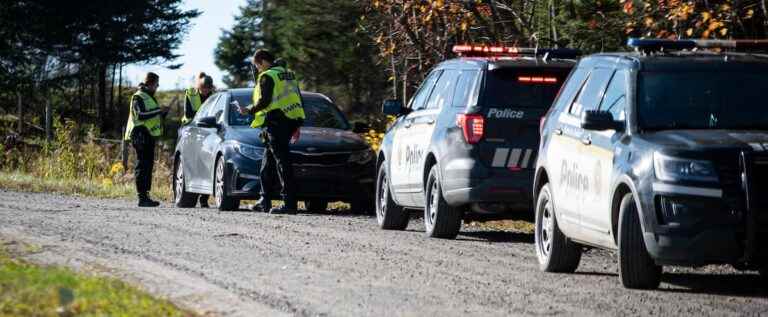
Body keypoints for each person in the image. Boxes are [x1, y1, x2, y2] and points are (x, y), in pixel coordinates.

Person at [238, 49, 305, 214]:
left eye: (257, 65)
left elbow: (265, 101)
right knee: (267, 164)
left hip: (277, 122)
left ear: (262, 61)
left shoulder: (267, 76)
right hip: (290, 119)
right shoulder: (288, 74)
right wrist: (297, 125)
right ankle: (264, 199)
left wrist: (248, 110)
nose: (258, 69)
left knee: (283, 163)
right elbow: (298, 98)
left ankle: (289, 204)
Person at [123, 72, 169, 207]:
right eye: (156, 84)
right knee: (142, 165)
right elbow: (141, 115)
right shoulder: (138, 96)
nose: (157, 87)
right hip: (140, 134)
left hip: (148, 134)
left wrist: (162, 113)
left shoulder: (149, 96)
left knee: (148, 165)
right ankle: (141, 197)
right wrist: (158, 111)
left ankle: (146, 196)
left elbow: (153, 115)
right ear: (150, 84)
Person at [182, 73, 215, 208]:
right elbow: (188, 114)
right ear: (199, 86)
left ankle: (204, 198)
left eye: (208, 88)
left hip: (207, 134)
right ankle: (189, 196)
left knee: (205, 164)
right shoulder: (191, 93)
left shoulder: (214, 96)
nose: (206, 90)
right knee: (192, 163)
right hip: (192, 133)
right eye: (204, 88)